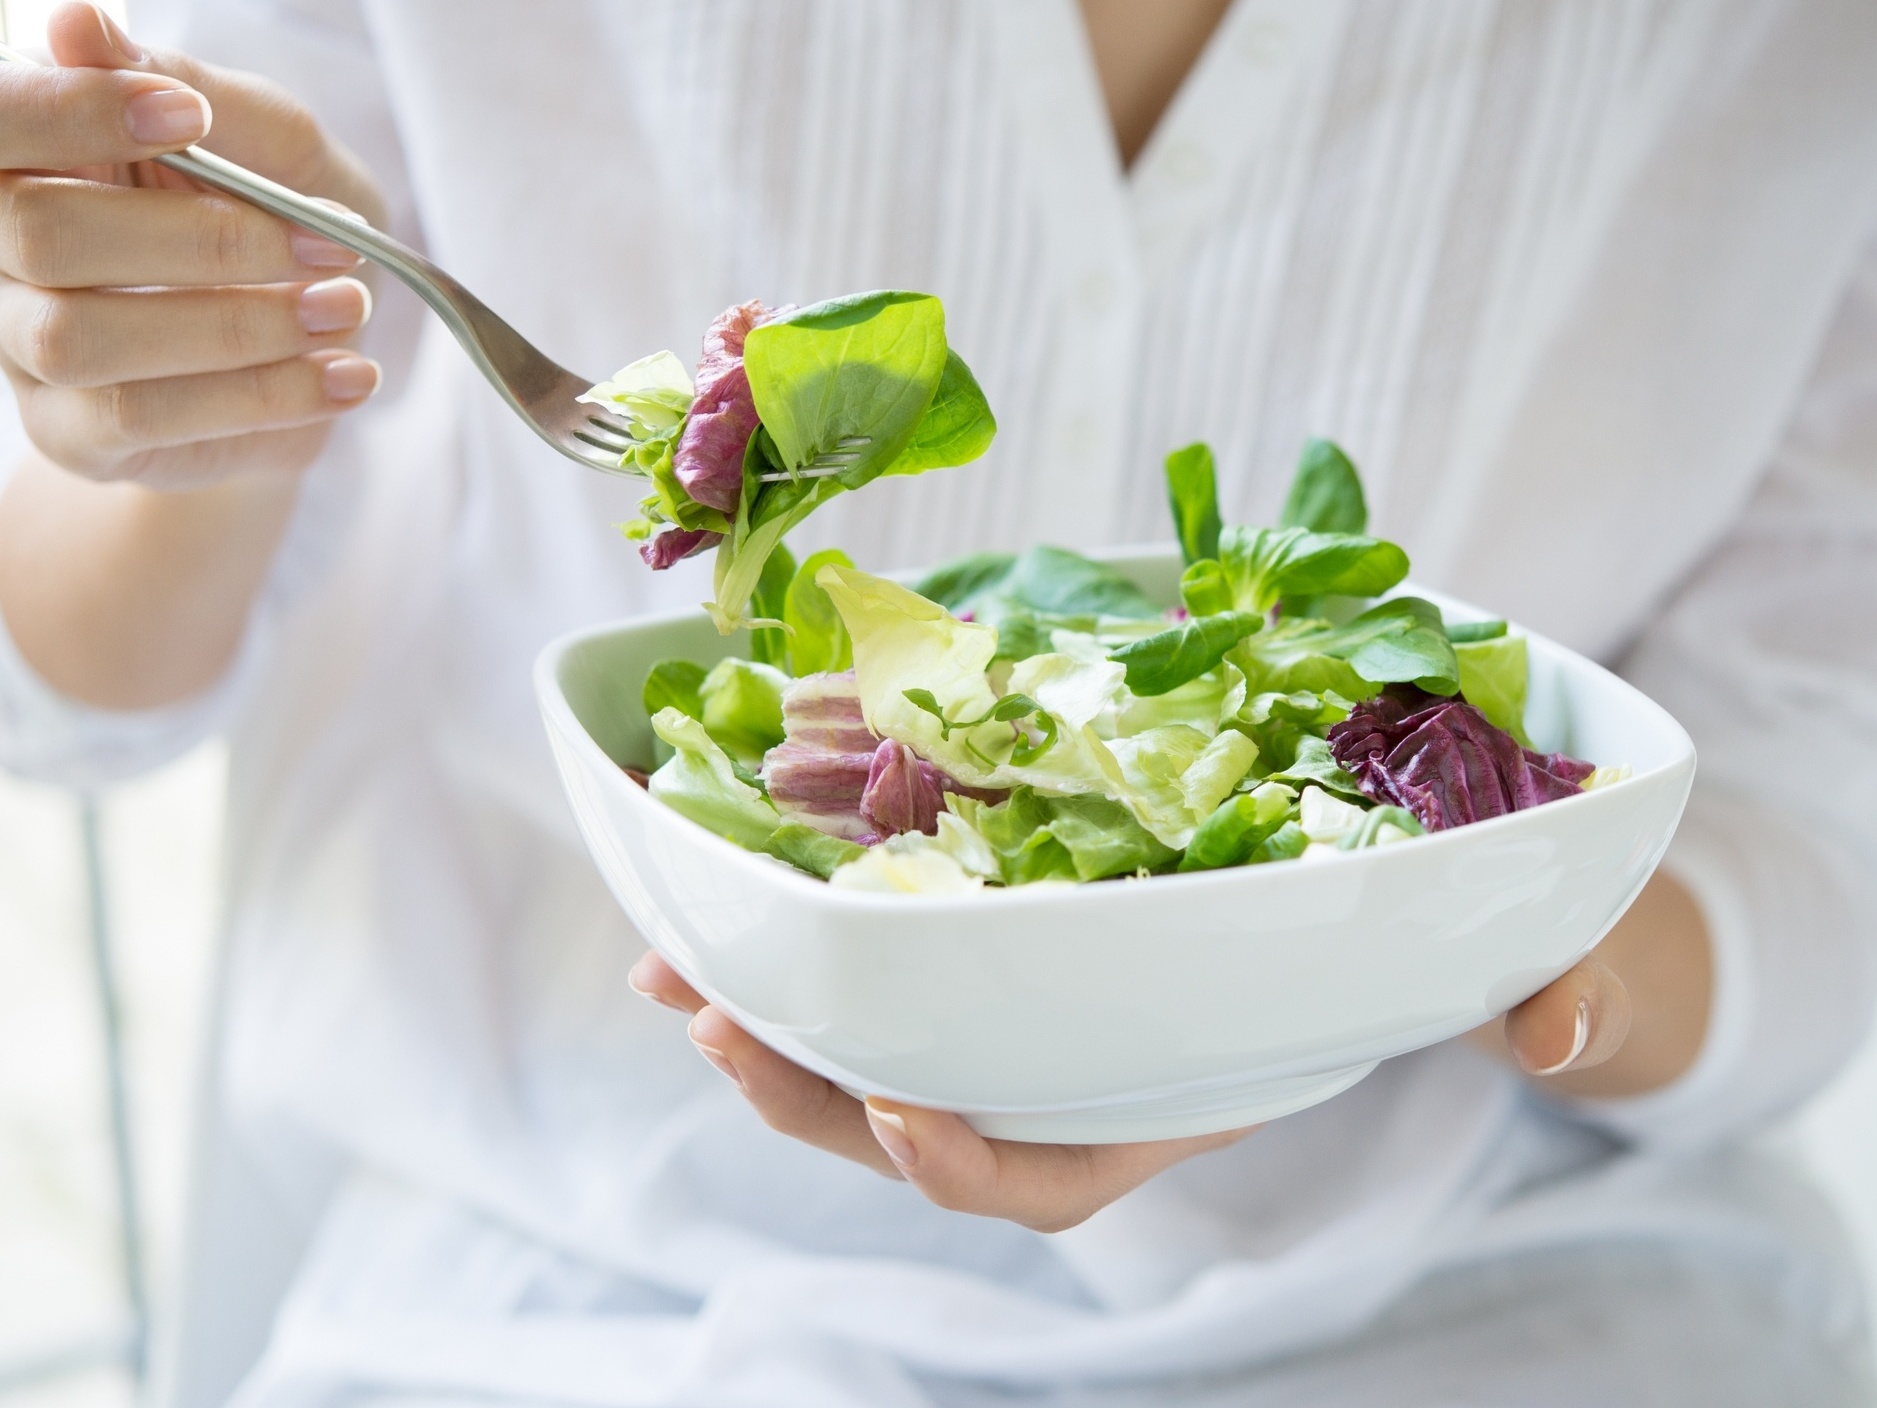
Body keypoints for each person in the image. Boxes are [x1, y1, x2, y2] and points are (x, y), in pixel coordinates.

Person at [1, 0, 1873, 1402]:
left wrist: (1462, 944)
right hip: (575, 1261)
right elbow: (78, 699)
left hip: (1506, 1282)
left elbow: (1812, 822)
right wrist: (227, 377)